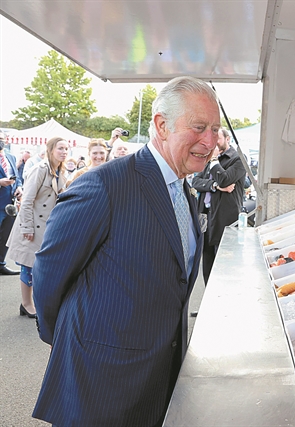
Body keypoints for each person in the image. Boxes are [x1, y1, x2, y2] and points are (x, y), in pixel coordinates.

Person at [32, 76, 219, 426]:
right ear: (161, 125)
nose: (209, 141)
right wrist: (74, 342)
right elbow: (50, 273)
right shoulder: (105, 185)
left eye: (214, 129)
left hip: (158, 376)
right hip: (101, 384)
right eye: (198, 127)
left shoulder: (184, 190)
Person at [6, 137, 68, 318]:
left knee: (39, 267)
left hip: (47, 227)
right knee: (28, 265)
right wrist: (27, 228)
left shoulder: (58, 170)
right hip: (31, 225)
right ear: (50, 150)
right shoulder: (40, 169)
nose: (64, 152)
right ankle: (26, 304)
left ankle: (33, 302)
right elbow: (27, 201)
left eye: (66, 149)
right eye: (60, 148)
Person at [192, 128, 245, 285]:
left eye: (218, 139)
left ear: (228, 139)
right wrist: (214, 185)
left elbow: (225, 179)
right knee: (206, 257)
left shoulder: (237, 159)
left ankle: (220, 300)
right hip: (205, 214)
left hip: (224, 216)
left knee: (223, 260)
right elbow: (196, 182)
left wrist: (214, 161)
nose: (214, 143)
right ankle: (207, 298)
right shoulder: (206, 159)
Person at [0, 131, 22, 275]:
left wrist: (19, 187)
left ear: (6, 140)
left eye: (1, 138)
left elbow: (18, 177)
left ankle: (1, 264)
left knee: (6, 236)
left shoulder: (11, 157)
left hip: (10, 205)